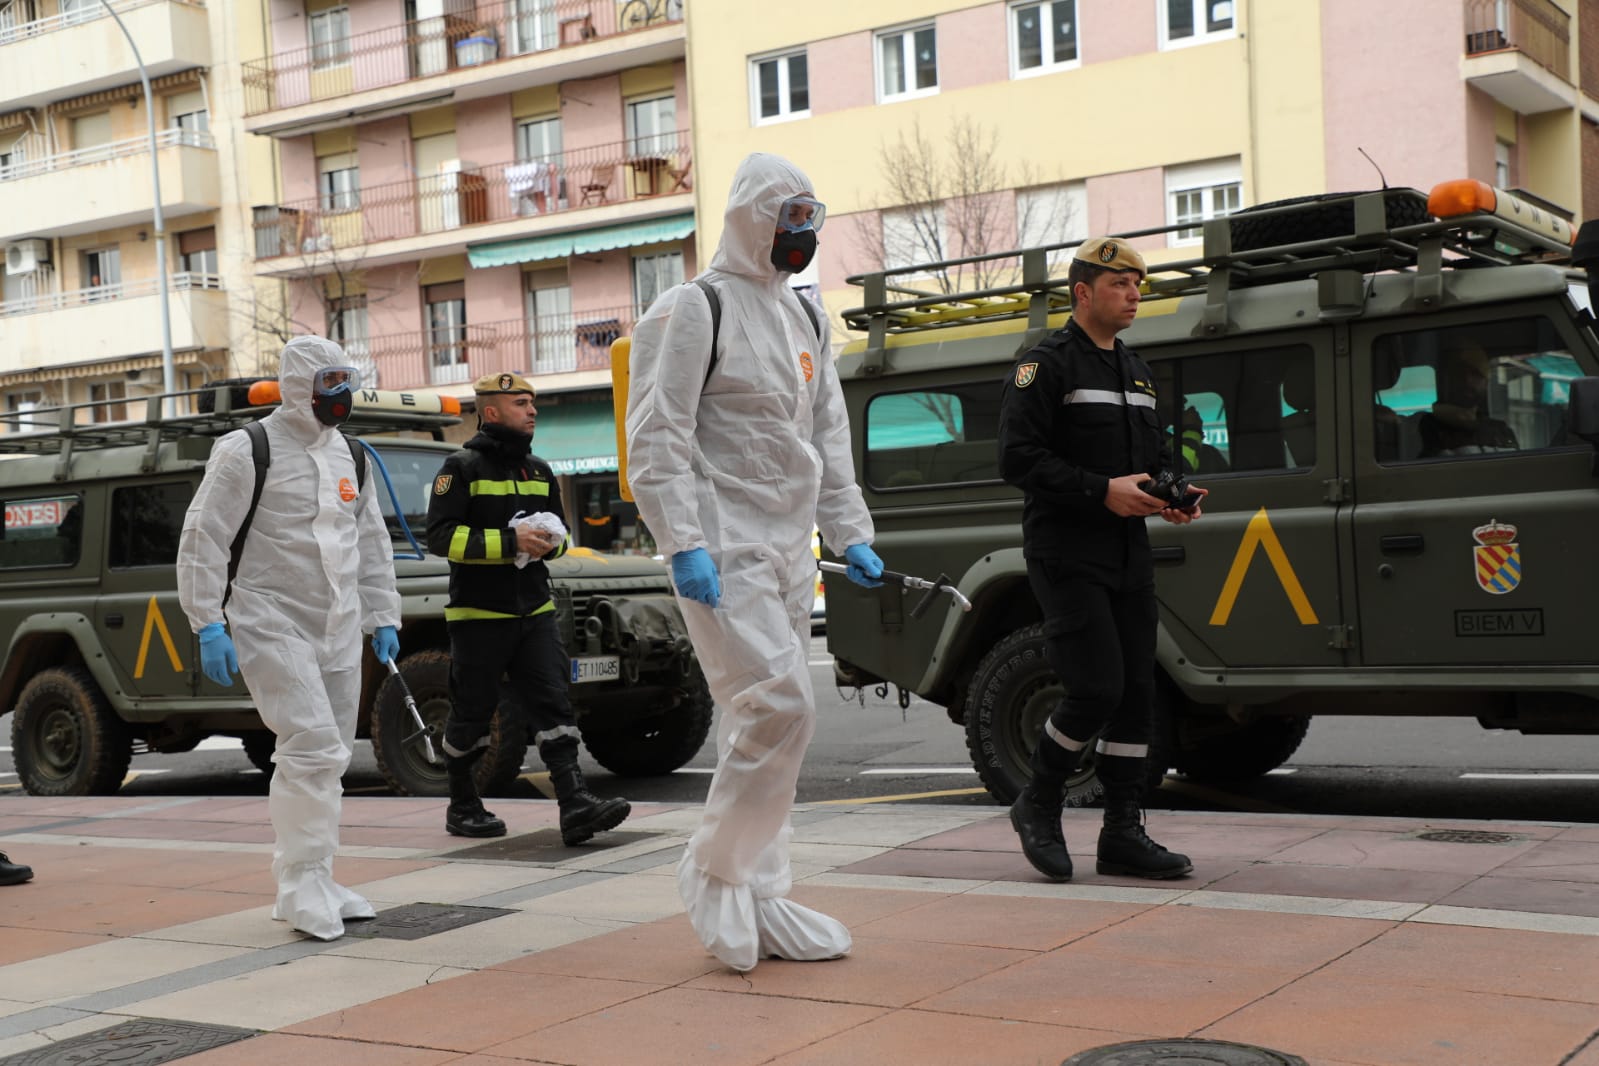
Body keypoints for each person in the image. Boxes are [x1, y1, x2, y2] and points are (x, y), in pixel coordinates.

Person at [625, 151, 883, 973]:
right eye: (790, 217)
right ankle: (713, 867)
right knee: (779, 705)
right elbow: (657, 434)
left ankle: (764, 890)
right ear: (754, 218)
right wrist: (682, 542)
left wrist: (848, 530)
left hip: (785, 548)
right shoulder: (693, 307)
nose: (803, 232)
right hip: (721, 546)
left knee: (763, 722)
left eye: (811, 217)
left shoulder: (805, 318)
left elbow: (825, 434)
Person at [177, 336, 400, 941]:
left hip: (339, 624)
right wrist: (207, 622)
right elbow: (203, 536)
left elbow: (371, 542)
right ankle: (301, 883)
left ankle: (315, 876)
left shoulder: (352, 456)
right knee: (310, 745)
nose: (341, 393)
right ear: (299, 383)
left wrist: (383, 616)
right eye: (329, 380)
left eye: (346, 379)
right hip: (270, 616)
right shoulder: (247, 449)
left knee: (333, 754)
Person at [997, 238, 1204, 884]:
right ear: (1083, 293)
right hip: (1066, 550)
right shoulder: (1045, 365)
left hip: (1127, 550)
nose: (1134, 294)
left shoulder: (1136, 370)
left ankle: (1121, 833)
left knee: (1138, 692)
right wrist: (1099, 491)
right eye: (1120, 283)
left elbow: (1153, 457)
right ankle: (1038, 802)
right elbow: (1017, 458)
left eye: (1138, 284)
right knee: (1096, 688)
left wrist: (1170, 494)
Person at [426, 372, 630, 845]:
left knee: (554, 704)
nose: (532, 410)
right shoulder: (460, 467)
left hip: (534, 611)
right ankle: (463, 805)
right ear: (491, 411)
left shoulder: (539, 470)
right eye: (520, 403)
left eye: (531, 402)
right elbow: (439, 537)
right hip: (479, 616)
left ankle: (575, 805)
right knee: (472, 714)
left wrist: (549, 544)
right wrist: (509, 541)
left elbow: (562, 539)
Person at [1418, 346, 1519, 456]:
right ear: (1447, 380)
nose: (1467, 380)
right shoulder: (1427, 426)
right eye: (1460, 373)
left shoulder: (1501, 431)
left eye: (1476, 374)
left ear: (1486, 383)